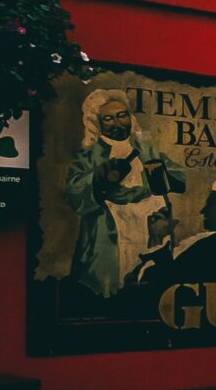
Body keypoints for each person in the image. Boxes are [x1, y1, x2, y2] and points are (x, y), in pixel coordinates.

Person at [61, 88, 186, 300]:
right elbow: (74, 191)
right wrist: (99, 180)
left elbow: (178, 177)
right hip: (113, 232)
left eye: (122, 116)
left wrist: (160, 176)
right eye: (109, 119)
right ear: (96, 123)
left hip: (151, 229)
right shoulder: (90, 155)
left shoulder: (145, 149)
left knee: (150, 284)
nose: (118, 123)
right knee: (114, 289)